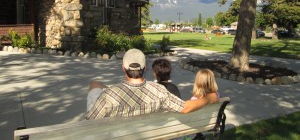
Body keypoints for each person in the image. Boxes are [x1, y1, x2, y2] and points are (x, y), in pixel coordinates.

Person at [86, 48, 218, 119]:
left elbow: (90, 123)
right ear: (144, 69)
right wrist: (210, 97)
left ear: (123, 68)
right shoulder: (159, 91)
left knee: (95, 86)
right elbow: (185, 107)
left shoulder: (109, 96)